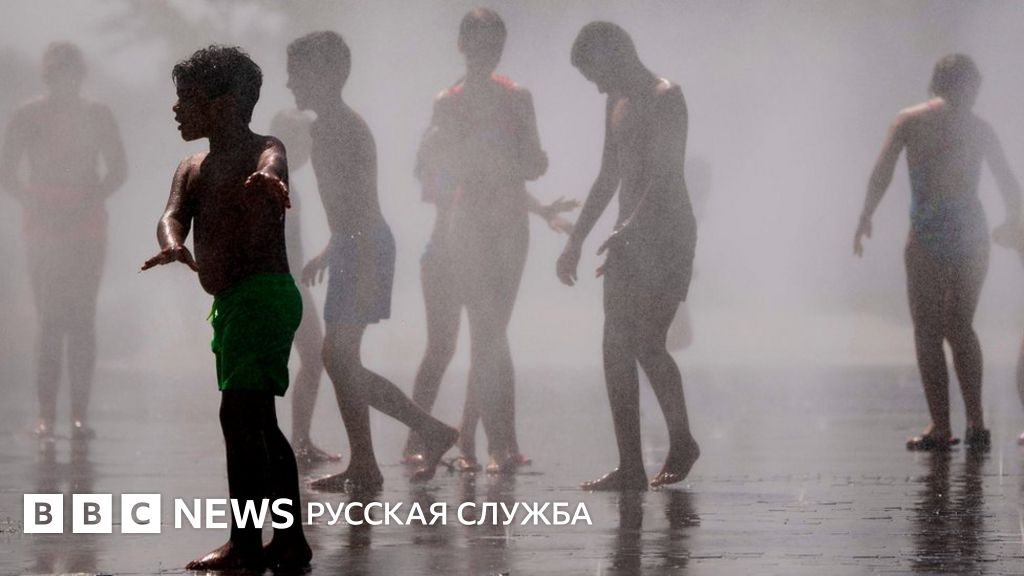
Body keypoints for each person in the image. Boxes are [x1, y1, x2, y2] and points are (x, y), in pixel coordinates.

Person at [141, 45, 311, 571]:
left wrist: (272, 179)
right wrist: (173, 243)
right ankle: (288, 540)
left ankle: (246, 543)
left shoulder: (264, 149)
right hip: (234, 303)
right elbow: (172, 215)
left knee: (239, 417)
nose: (176, 109)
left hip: (264, 295)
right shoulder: (192, 168)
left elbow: (272, 163)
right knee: (257, 421)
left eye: (186, 98)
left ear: (225, 103)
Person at [404, 8, 576, 474]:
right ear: (462, 45)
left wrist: (522, 170)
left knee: (493, 334)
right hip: (468, 223)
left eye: (494, 45)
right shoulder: (448, 103)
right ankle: (488, 444)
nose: (487, 53)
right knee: (484, 333)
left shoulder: (518, 97)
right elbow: (435, 172)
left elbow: (533, 163)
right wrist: (473, 159)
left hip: (510, 225)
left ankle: (489, 442)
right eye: (478, 44)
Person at [286, 31, 458, 492]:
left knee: (338, 357)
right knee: (339, 358)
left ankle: (405, 442)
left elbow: (360, 203)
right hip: (356, 243)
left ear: (327, 74)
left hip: (364, 246)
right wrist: (333, 248)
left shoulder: (337, 127)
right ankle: (374, 457)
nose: (289, 83)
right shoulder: (332, 125)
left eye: (296, 73)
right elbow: (349, 204)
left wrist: (348, 250)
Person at [557, 22, 700, 491]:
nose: (598, 87)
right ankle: (630, 465)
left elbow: (665, 172)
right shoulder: (614, 102)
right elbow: (608, 175)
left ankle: (682, 441)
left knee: (647, 341)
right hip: (628, 236)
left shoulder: (666, 97)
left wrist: (631, 228)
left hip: (668, 235)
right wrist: (576, 239)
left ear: (617, 55)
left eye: (596, 74)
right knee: (614, 343)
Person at [854, 54, 1022, 452]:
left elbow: (881, 172)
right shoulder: (977, 128)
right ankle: (975, 423)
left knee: (929, 331)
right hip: (969, 237)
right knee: (959, 326)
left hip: (928, 236)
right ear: (966, 87)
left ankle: (944, 426)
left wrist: (866, 215)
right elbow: (1009, 184)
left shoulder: (910, 121)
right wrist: (1012, 224)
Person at [0, 43, 126, 440]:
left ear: (80, 75)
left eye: (69, 73)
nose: (63, 82)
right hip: (43, 223)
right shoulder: (28, 115)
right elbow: (6, 170)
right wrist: (33, 201)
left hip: (87, 223)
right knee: (49, 320)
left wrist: (87, 200)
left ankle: (78, 415)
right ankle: (45, 414)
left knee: (82, 318)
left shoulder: (97, 115)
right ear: (47, 76)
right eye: (56, 74)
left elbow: (119, 169)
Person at [269, 108, 339, 465]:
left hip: (290, 282)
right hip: (278, 284)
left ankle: (299, 440)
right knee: (305, 357)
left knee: (313, 356)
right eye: (306, 143)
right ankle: (285, 442)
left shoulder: (282, 178)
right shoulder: (270, 177)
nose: (310, 152)